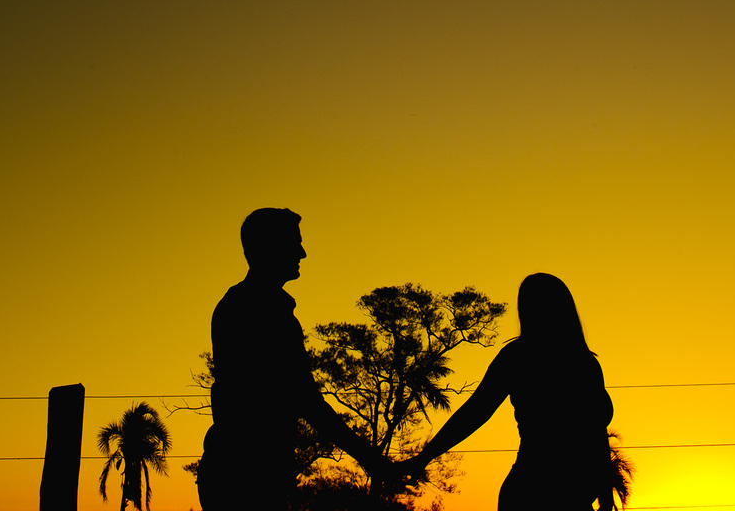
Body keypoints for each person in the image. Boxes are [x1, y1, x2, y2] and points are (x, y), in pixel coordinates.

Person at [196, 208, 389, 510]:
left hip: (244, 473)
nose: (303, 253)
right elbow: (305, 398)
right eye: (294, 244)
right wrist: (371, 459)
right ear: (269, 248)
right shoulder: (260, 310)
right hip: (246, 479)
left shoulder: (247, 305)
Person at [398, 272, 616, 510]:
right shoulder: (523, 357)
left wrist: (606, 500)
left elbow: (597, 436)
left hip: (569, 497)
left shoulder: (584, 363)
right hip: (532, 492)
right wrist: (424, 457)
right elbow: (475, 412)